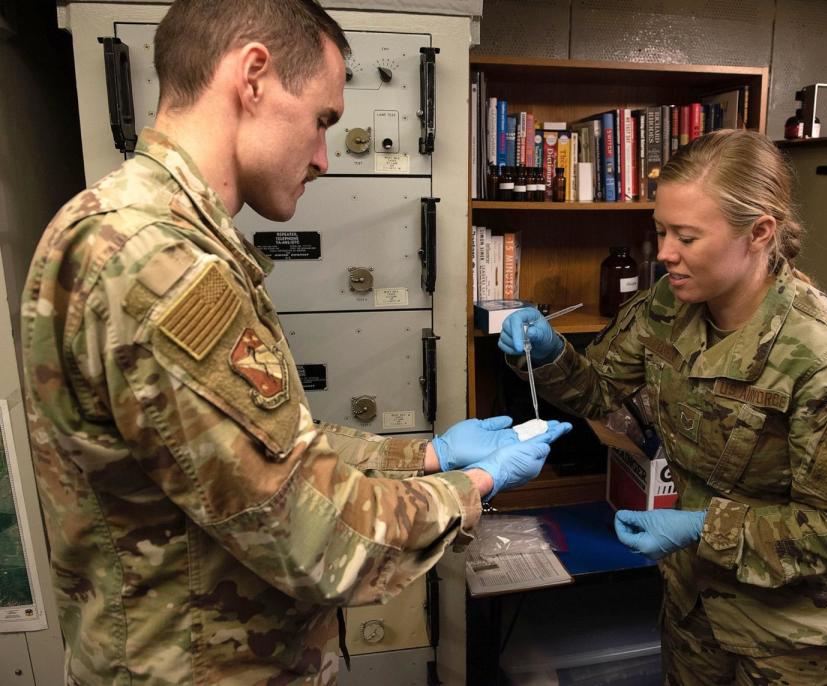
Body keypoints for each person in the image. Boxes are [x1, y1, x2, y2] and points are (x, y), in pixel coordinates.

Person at [20, 1, 570, 683]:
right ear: (252, 77)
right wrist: (475, 484)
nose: (323, 159)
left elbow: (269, 453)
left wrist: (424, 454)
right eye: (321, 121)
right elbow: (318, 543)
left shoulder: (144, 231)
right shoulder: (158, 263)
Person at [499, 129, 827, 685]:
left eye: (686, 236)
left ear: (759, 233)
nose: (664, 253)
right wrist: (547, 355)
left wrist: (701, 528)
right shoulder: (669, 303)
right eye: (661, 230)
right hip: (694, 609)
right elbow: (599, 391)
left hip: (796, 639)